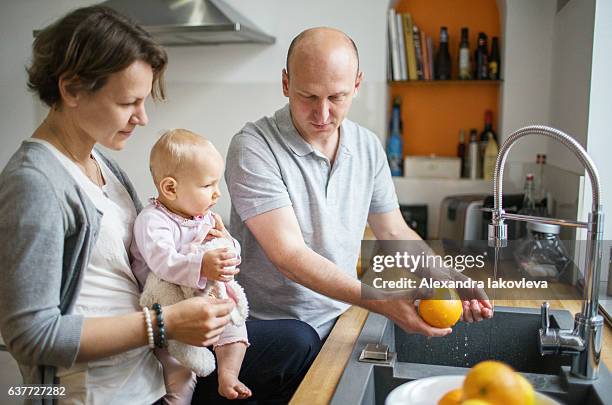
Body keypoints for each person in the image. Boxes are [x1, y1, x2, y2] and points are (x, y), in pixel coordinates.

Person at [0, 6, 320, 404]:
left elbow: (141, 261)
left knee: (297, 341)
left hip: (153, 374)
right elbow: (30, 337)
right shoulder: (34, 183)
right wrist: (162, 324)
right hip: (99, 394)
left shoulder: (101, 164)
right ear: (71, 89)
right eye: (127, 102)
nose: (143, 117)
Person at [225, 27, 493, 339]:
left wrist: (444, 275)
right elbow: (290, 256)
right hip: (271, 330)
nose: (322, 113)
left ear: (356, 85)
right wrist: (380, 300)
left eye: (336, 97)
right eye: (308, 96)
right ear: (286, 83)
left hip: (342, 318)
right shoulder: (253, 147)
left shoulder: (366, 145)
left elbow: (393, 231)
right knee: (299, 341)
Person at [130, 129, 251, 403]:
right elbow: (164, 263)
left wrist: (227, 248)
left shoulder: (203, 217)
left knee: (235, 326)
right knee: (179, 371)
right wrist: (203, 265)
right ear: (171, 188)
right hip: (169, 309)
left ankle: (228, 375)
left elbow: (227, 247)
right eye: (208, 185)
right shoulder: (152, 221)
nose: (217, 193)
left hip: (203, 299)